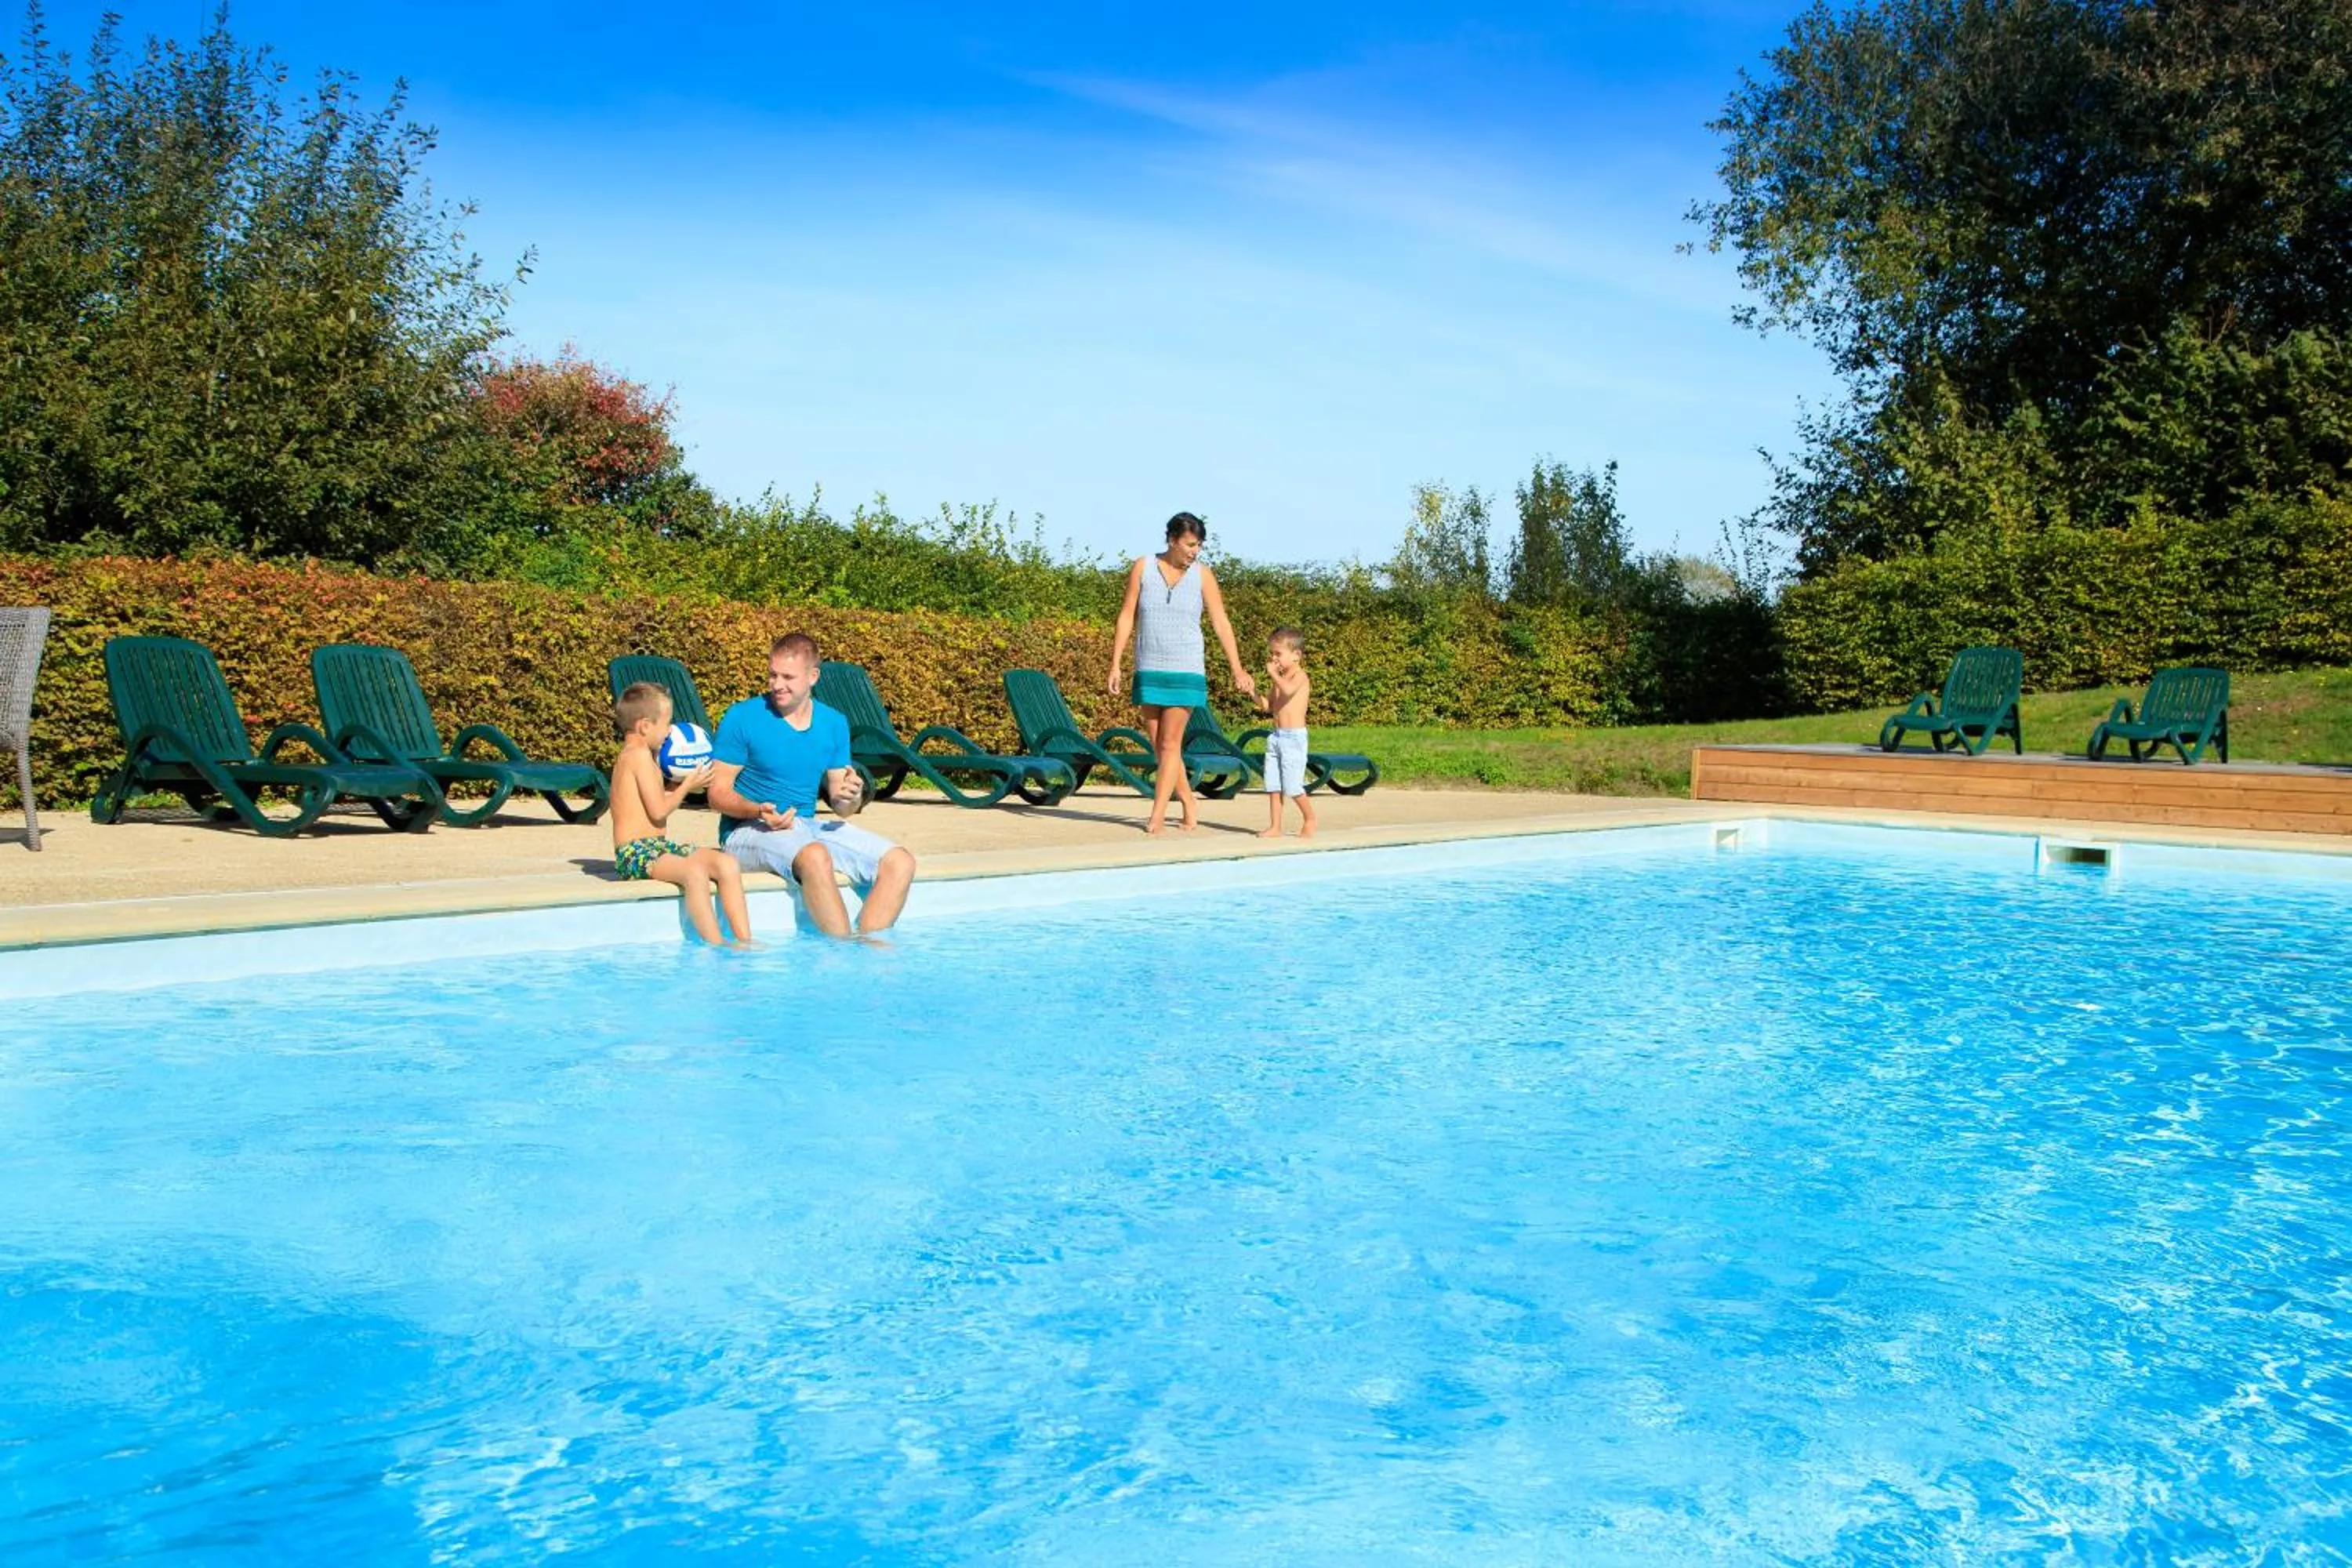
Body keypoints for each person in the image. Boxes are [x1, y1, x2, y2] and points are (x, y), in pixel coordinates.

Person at [708, 632, 917, 937]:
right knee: (815, 855)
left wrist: (852, 796)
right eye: (773, 675)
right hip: (746, 830)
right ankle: (841, 953)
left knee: (900, 862)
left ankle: (869, 953)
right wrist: (758, 809)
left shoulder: (832, 722)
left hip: (805, 826)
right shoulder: (742, 717)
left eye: (788, 677)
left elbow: (842, 806)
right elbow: (716, 795)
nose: (777, 685)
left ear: (813, 677)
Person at [1106, 511, 1257, 834]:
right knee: (1160, 746)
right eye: (1190, 544)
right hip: (1149, 667)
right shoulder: (1143, 568)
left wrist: (1238, 668)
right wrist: (1116, 663)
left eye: (1199, 545)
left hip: (1186, 669)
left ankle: (1157, 814)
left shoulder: (1203, 576)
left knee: (1171, 744)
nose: (1195, 551)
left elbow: (1221, 623)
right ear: (1172, 540)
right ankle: (1189, 800)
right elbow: (1126, 616)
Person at [609, 681, 757, 947]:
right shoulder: (636, 758)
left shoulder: (646, 755)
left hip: (657, 847)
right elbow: (659, 811)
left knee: (727, 864)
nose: (669, 732)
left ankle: (745, 940)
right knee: (694, 873)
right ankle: (716, 943)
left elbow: (653, 801)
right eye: (666, 724)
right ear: (644, 725)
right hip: (634, 853)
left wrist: (678, 786)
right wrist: (688, 785)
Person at [1250, 626, 1317, 840]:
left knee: (1292, 785)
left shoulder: (1300, 677)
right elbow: (1268, 706)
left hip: (1293, 738)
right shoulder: (1279, 679)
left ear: (1296, 655)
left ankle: (1310, 818)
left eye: (1278, 653)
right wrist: (1252, 692)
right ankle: (1275, 827)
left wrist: (1272, 674)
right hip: (1276, 737)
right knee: (1273, 785)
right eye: (1272, 653)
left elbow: (1288, 691)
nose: (1273, 658)